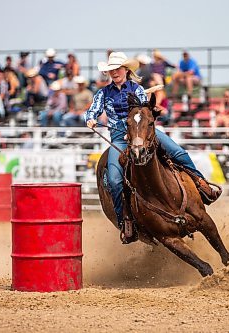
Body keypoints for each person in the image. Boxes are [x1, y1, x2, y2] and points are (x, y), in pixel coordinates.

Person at [84, 51, 221, 243]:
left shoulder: (137, 89)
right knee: (115, 180)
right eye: (111, 70)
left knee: (178, 152)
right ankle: (125, 220)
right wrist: (90, 119)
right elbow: (92, 111)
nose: (114, 73)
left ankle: (201, 184)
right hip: (120, 139)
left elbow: (145, 112)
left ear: (125, 70)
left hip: (144, 133)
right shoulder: (103, 93)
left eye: (117, 69)